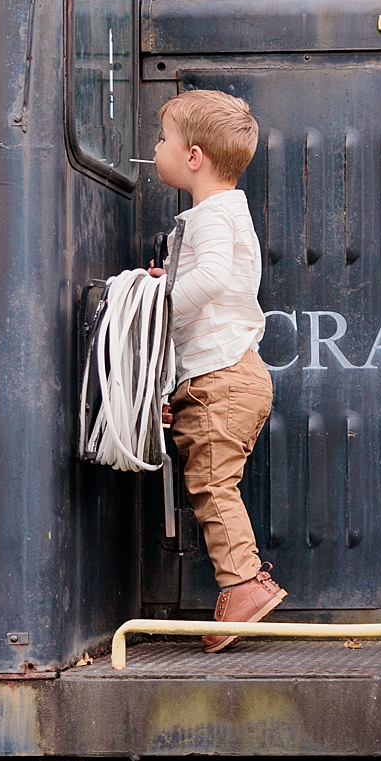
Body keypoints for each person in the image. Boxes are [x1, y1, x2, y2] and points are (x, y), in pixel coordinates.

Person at [147, 89, 285, 651]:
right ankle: (243, 580)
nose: (155, 149)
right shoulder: (227, 213)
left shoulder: (209, 215)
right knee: (214, 482)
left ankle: (244, 584)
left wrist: (160, 303)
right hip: (231, 376)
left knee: (210, 483)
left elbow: (208, 282)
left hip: (219, 381)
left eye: (162, 140)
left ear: (194, 157)